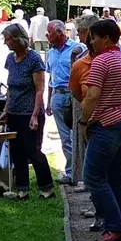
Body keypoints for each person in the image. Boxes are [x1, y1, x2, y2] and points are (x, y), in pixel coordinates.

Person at [72, 15, 121, 231]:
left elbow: (91, 96)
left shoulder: (100, 61)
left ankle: (115, 226)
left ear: (106, 39)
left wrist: (83, 122)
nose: (91, 42)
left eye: (94, 38)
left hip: (107, 126)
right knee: (117, 175)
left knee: (92, 176)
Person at [0, 22, 55, 200]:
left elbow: (40, 89)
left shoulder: (34, 59)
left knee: (33, 151)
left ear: (17, 39)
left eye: (8, 39)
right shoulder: (10, 59)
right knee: (17, 151)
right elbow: (11, 88)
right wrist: (6, 109)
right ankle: (23, 189)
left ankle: (47, 188)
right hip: (14, 112)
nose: (6, 43)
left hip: (30, 112)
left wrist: (35, 115)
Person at [45, 19, 86, 185]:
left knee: (78, 133)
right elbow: (50, 77)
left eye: (49, 33)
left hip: (73, 95)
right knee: (64, 137)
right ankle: (71, 173)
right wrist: (49, 101)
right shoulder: (51, 53)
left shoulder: (77, 49)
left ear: (60, 33)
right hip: (57, 95)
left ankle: (82, 172)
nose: (47, 36)